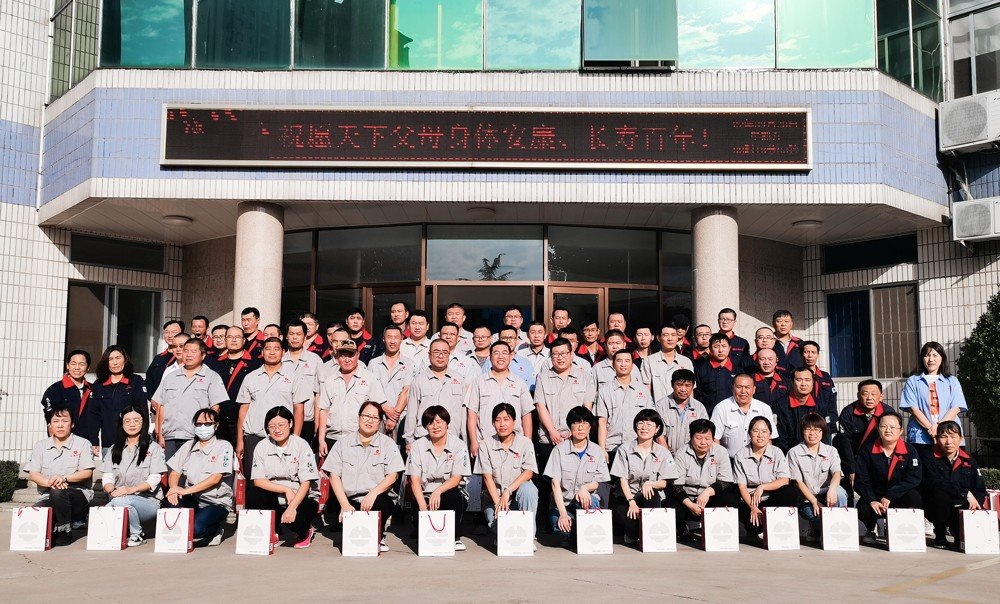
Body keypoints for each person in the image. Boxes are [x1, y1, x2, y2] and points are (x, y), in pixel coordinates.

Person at [322, 402, 404, 552]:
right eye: (366, 416)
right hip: (349, 499)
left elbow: (393, 476)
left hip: (377, 497)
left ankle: (378, 535)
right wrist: (344, 504)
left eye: (375, 418)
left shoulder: (387, 444)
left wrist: (373, 493)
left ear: (380, 422)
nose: (369, 420)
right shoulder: (342, 443)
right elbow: (333, 475)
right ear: (358, 417)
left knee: (382, 503)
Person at [236, 337, 311, 478]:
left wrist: (295, 439)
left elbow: (299, 410)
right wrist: (240, 441)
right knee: (255, 480)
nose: (272, 352)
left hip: (282, 437)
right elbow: (243, 411)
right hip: (254, 437)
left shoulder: (294, 377)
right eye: (268, 349)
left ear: (283, 352)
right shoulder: (251, 377)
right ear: (262, 352)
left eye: (276, 349)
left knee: (281, 477)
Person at [248, 406, 320, 548]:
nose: (277, 430)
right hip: (274, 495)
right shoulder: (262, 446)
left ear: (290, 423)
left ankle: (305, 531)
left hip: (300, 497)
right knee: (253, 495)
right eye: (272, 426)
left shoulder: (301, 445)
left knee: (296, 520)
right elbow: (258, 481)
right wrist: (285, 490)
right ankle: (273, 530)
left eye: (281, 425)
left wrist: (292, 507)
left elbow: (306, 482)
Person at [25, 406, 96, 546]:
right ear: (50, 424)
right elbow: (33, 474)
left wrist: (63, 478)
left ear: (72, 424)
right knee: (34, 512)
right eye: (56, 421)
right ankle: (55, 524)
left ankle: (64, 530)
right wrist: (51, 482)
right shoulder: (40, 446)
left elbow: (87, 472)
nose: (60, 425)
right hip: (48, 495)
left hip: (77, 495)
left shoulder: (83, 443)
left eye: (65, 421)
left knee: (58, 492)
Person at [164, 408, 233, 546]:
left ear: (216, 425)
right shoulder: (189, 446)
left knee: (195, 529)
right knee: (168, 507)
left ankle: (215, 530)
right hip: (193, 499)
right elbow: (175, 472)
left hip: (215, 502)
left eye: (208, 424)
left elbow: (215, 478)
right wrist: (174, 489)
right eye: (199, 424)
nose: (203, 427)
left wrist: (184, 491)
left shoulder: (224, 446)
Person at [406, 406, 471, 551]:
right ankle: (419, 528)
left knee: (453, 497)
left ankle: (454, 536)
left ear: (447, 423)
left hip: (449, 491)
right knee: (421, 525)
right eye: (430, 423)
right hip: (424, 494)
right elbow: (414, 480)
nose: (435, 426)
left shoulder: (459, 445)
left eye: (439, 422)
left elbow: (456, 478)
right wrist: (423, 508)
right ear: (425, 426)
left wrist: (438, 491)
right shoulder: (417, 446)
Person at [610, 409, 679, 545]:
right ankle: (633, 532)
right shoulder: (624, 449)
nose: (644, 427)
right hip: (627, 497)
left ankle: (651, 536)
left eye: (649, 424)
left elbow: (665, 482)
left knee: (652, 493)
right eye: (640, 423)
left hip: (649, 498)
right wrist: (631, 501)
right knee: (631, 528)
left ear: (657, 429)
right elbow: (622, 479)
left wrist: (651, 484)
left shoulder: (663, 453)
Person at [543, 406, 610, 545]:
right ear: (570, 426)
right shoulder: (559, 450)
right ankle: (574, 533)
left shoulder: (597, 451)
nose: (580, 428)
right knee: (561, 528)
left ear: (590, 427)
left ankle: (585, 534)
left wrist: (585, 488)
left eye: (584, 423)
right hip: (564, 505)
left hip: (584, 501)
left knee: (592, 501)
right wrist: (562, 514)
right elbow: (555, 484)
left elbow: (599, 481)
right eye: (576, 423)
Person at [153, 338, 228, 460]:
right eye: (186, 351)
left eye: (193, 351)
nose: (188, 355)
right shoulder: (170, 377)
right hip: (170, 436)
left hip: (196, 436)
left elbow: (216, 407)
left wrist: (207, 430)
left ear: (203, 355)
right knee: (170, 470)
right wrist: (161, 434)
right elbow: (162, 406)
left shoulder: (212, 377)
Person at [102, 405, 167, 546]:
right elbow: (107, 477)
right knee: (109, 508)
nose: (132, 424)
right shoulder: (114, 449)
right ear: (122, 424)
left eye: (136, 420)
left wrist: (130, 490)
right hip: (118, 497)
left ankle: (137, 534)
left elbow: (155, 479)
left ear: (143, 423)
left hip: (148, 501)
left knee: (118, 503)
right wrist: (112, 491)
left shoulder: (153, 448)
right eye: (127, 421)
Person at [854, 411, 922, 545]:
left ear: (901, 430)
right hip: (876, 496)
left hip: (898, 496)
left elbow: (914, 478)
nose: (888, 430)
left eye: (892, 427)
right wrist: (872, 500)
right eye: (883, 426)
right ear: (878, 428)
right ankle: (871, 529)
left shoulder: (910, 451)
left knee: (914, 498)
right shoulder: (867, 450)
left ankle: (900, 528)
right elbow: (861, 480)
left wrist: (891, 495)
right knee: (863, 509)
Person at [665, 419, 738, 540]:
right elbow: (676, 485)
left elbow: (725, 481)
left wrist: (707, 492)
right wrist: (690, 505)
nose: (703, 442)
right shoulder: (681, 453)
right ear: (691, 437)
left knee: (730, 498)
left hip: (709, 498)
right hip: (687, 499)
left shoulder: (721, 452)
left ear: (713, 438)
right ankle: (682, 529)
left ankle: (714, 528)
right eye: (698, 438)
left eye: (708, 438)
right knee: (669, 503)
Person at [922, 420, 988, 549]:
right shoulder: (928, 457)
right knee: (940, 494)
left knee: (962, 542)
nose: (949, 442)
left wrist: (975, 506)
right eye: (943, 437)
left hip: (961, 506)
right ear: (936, 439)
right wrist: (965, 493)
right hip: (937, 505)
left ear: (961, 438)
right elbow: (934, 483)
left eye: (953, 436)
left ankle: (959, 533)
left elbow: (979, 488)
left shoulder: (969, 461)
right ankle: (940, 533)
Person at [476, 403, 539, 532]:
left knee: (529, 489)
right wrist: (499, 503)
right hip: (494, 500)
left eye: (506, 419)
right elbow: (487, 477)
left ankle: (529, 535)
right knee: (500, 530)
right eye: (497, 420)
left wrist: (508, 491)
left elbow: (529, 472)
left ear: (514, 422)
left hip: (517, 499)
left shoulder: (525, 443)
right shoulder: (485, 445)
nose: (502, 424)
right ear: (493, 423)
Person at [317, 339, 387, 457]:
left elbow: (377, 410)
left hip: (360, 438)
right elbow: (324, 411)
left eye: (351, 355)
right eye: (343, 356)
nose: (347, 360)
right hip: (333, 438)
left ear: (358, 355)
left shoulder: (370, 379)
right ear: (337, 357)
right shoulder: (329, 381)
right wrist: (321, 440)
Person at [466, 341, 534, 459]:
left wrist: (527, 443)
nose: (500, 356)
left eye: (504, 353)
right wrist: (473, 441)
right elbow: (472, 414)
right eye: (496, 353)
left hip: (516, 445)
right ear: (490, 357)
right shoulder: (479, 382)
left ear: (510, 356)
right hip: (485, 444)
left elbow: (526, 415)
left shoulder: (519, 383)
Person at [787, 413, 847, 542]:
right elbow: (798, 482)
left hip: (827, 494)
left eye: (816, 429)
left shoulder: (831, 451)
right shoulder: (794, 452)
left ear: (822, 432)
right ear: (802, 431)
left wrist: (832, 489)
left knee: (840, 493)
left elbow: (837, 473)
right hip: (807, 499)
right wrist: (814, 502)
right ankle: (815, 528)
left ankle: (837, 528)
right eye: (808, 429)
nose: (812, 433)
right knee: (815, 516)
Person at [899, 342, 967, 454]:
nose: (931, 359)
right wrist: (931, 429)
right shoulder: (913, 381)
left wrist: (939, 428)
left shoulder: (952, 380)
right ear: (922, 358)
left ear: (942, 358)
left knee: (952, 464)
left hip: (949, 436)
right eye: (927, 355)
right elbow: (913, 408)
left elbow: (956, 407)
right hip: (921, 437)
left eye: (935, 355)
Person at [834, 380, 895, 500]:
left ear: (881, 396)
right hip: (851, 455)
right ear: (858, 395)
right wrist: (851, 469)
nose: (869, 398)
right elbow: (845, 442)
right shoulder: (848, 412)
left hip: (875, 456)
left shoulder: (888, 412)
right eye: (865, 393)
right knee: (848, 486)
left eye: (873, 394)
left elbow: (892, 440)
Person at [733, 416, 792, 540]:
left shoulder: (777, 452)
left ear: (770, 434)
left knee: (789, 492)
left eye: (764, 431)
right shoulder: (740, 455)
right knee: (755, 527)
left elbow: (784, 480)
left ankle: (777, 526)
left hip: (771, 498)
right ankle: (754, 530)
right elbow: (742, 487)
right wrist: (753, 508)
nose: (760, 435)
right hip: (750, 501)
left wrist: (762, 487)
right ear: (749, 433)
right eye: (755, 431)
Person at [404, 338, 467, 451]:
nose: (440, 356)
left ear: (449, 355)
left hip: (452, 439)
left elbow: (463, 413)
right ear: (429, 355)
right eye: (436, 352)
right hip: (423, 438)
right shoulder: (418, 381)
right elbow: (412, 412)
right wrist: (409, 441)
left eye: (444, 352)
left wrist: (465, 441)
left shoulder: (459, 380)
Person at [89, 345, 149, 457]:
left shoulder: (136, 381)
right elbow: (94, 416)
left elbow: (143, 412)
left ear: (125, 359)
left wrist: (143, 439)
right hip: (108, 443)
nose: (115, 363)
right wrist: (94, 441)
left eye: (118, 358)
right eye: (111, 359)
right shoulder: (98, 385)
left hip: (132, 442)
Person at [596, 350, 654, 464]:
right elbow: (602, 423)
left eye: (627, 361)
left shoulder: (643, 390)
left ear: (632, 365)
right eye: (619, 361)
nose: (623, 364)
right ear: (613, 364)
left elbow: (650, 420)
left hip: (638, 447)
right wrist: (602, 449)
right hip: (612, 447)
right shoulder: (604, 391)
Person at [207, 326, 261, 446]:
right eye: (230, 337)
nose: (234, 340)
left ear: (244, 340)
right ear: (225, 340)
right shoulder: (215, 364)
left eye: (237, 337)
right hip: (220, 420)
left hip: (244, 419)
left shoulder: (255, 364)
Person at [709, 373, 776, 458]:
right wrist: (720, 460)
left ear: (754, 389)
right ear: (733, 388)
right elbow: (715, 439)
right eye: (739, 387)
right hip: (729, 460)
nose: (743, 391)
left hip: (758, 460)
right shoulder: (721, 408)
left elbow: (769, 439)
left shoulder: (764, 409)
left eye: (747, 387)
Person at [282, 320, 324, 451]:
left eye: (298, 334)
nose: (295, 337)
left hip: (308, 419)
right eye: (292, 334)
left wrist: (318, 421)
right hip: (283, 419)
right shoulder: (280, 360)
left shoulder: (315, 360)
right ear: (286, 336)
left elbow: (319, 393)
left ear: (305, 336)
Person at [774, 367, 838, 452]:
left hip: (815, 453)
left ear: (813, 383)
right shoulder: (780, 405)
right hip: (789, 454)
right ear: (792, 383)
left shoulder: (820, 405)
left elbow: (824, 434)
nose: (803, 384)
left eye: (807, 380)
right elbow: (781, 438)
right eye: (799, 380)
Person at [368, 324, 416, 437]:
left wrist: (394, 417)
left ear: (402, 339)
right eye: (389, 337)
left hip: (401, 417)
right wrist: (386, 409)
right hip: (377, 416)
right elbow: (372, 390)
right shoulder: (373, 364)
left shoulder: (409, 364)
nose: (392, 341)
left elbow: (406, 391)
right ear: (383, 339)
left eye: (396, 337)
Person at [40, 349, 95, 442]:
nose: (77, 367)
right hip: (63, 442)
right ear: (67, 366)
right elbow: (51, 421)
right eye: (73, 363)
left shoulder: (93, 389)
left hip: (86, 442)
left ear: (88, 367)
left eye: (82, 364)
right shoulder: (55, 390)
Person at [654, 369, 708, 454]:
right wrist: (668, 458)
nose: (683, 389)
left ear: (693, 386)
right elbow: (658, 436)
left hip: (691, 456)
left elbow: (703, 435)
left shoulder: (699, 408)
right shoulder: (660, 406)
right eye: (679, 385)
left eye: (687, 385)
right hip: (666, 455)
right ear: (672, 384)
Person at [640, 323, 694, 405]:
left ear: (677, 338)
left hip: (682, 409)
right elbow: (646, 391)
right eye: (666, 335)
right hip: (657, 409)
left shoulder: (686, 362)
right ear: (658, 338)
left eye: (673, 335)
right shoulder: (649, 361)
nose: (670, 339)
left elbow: (690, 390)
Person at [693, 333, 738, 414]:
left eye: (724, 346)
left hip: (732, 414)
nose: (720, 350)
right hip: (708, 414)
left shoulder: (738, 370)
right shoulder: (701, 369)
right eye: (716, 347)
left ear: (729, 348)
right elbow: (697, 394)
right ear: (710, 349)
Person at [145, 320, 184, 397]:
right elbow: (149, 379)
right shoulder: (158, 358)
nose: (170, 335)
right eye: (166, 332)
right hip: (156, 401)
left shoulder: (185, 357)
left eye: (174, 332)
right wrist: (153, 398)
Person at [800, 341, 837, 409]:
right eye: (807, 352)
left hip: (823, 415)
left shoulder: (826, 377)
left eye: (813, 352)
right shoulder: (796, 376)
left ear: (818, 355)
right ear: (801, 354)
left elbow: (832, 401)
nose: (810, 356)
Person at [749, 348, 788, 412]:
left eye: (770, 359)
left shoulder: (785, 381)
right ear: (757, 361)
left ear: (776, 361)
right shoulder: (750, 381)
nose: (766, 362)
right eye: (762, 359)